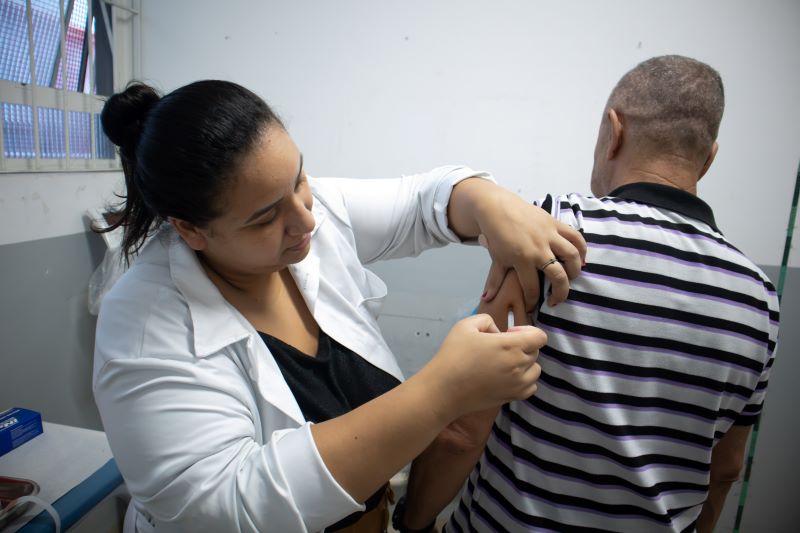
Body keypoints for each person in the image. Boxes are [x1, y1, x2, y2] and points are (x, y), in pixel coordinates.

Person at [91, 80, 587, 533]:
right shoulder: (142, 326)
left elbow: (425, 202)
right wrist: (442, 392)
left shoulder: (311, 211)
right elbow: (223, 509)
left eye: (299, 178)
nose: (306, 219)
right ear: (190, 228)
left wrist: (492, 205)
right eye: (265, 219)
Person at [396, 55, 780, 533]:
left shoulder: (553, 233)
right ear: (709, 157)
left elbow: (463, 428)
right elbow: (725, 470)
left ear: (612, 132)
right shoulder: (760, 300)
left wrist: (413, 522)